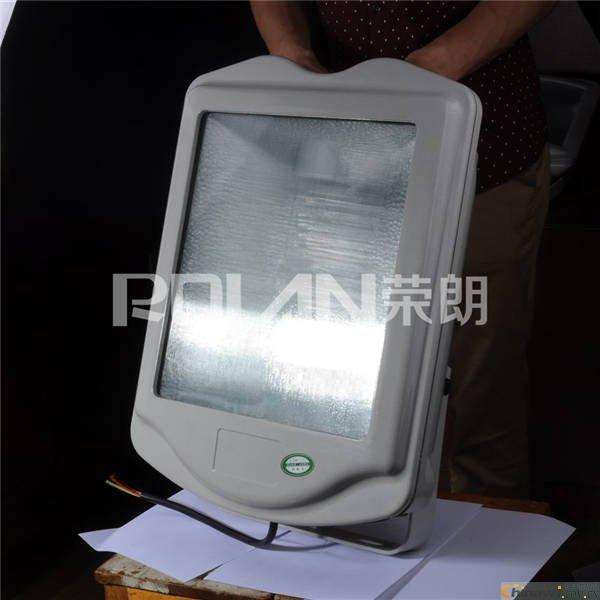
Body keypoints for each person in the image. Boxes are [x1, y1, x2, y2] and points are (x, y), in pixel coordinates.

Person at [251, 0, 556, 499]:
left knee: (481, 375)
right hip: (347, 143)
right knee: (342, 365)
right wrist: (291, 55)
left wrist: (432, 66)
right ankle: (347, 514)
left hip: (484, 146)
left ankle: (489, 527)